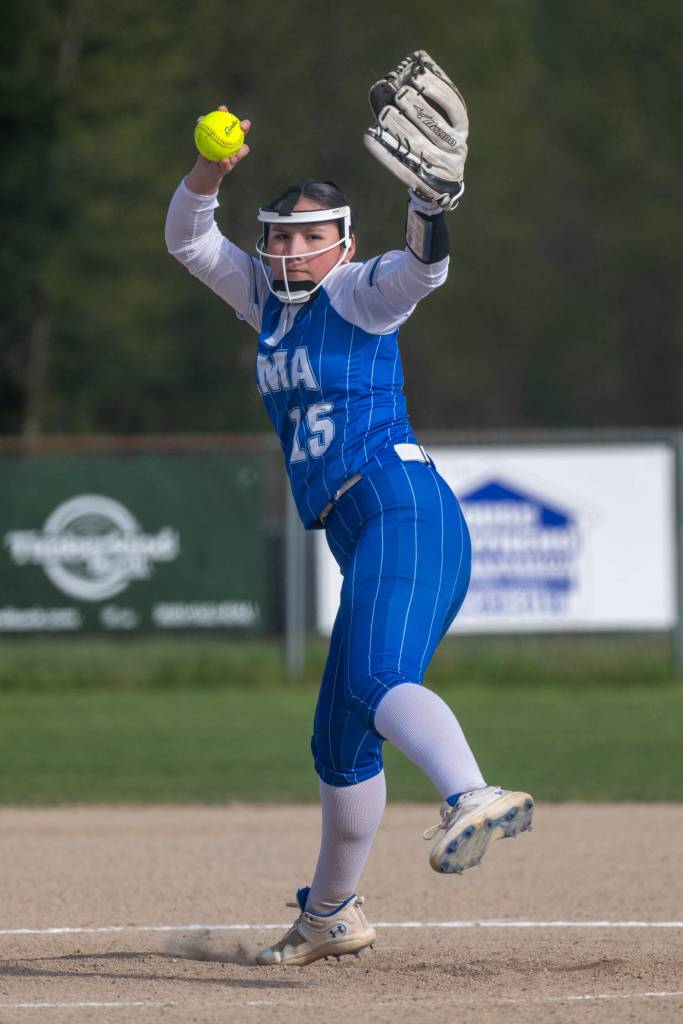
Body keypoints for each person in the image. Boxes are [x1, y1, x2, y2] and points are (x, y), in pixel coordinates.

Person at [165, 54, 533, 968]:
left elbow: (423, 270)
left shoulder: (357, 292)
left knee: (370, 687)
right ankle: (330, 913)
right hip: (357, 532)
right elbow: (187, 240)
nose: (289, 252)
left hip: (403, 510)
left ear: (340, 239)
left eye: (307, 237)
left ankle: (467, 793)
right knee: (337, 743)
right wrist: (209, 168)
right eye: (279, 238)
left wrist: (432, 205)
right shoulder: (264, 303)